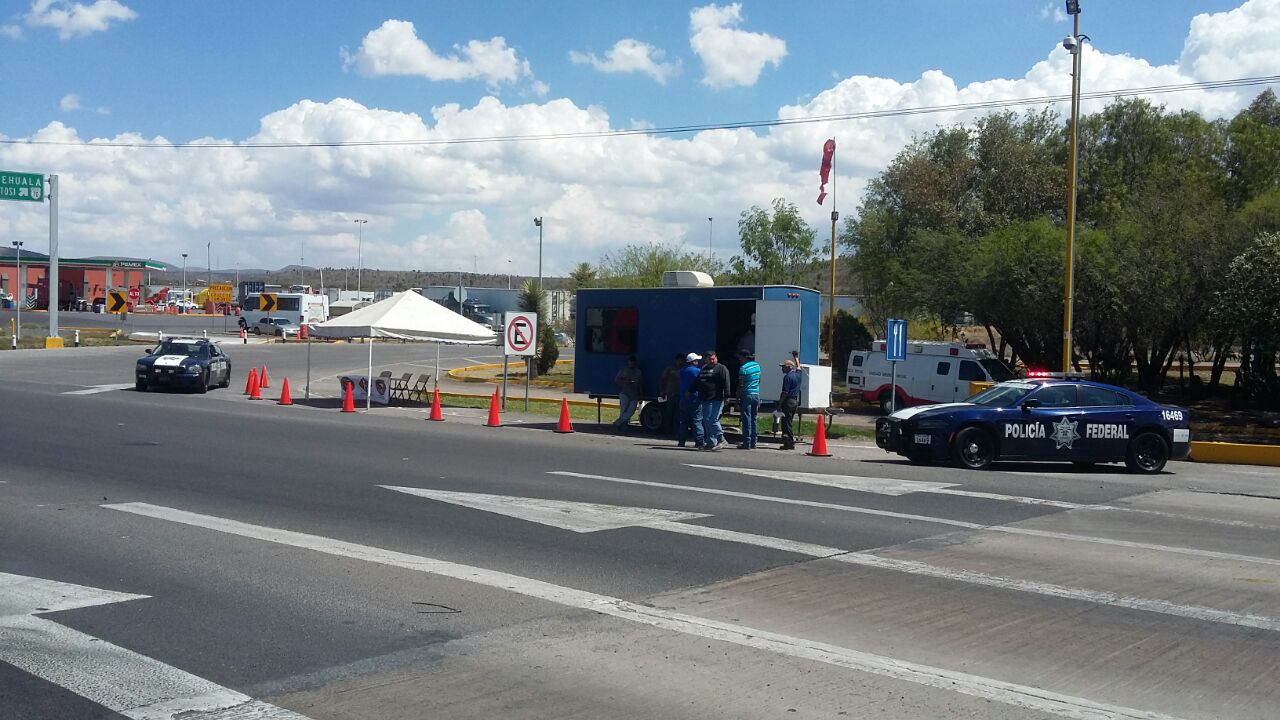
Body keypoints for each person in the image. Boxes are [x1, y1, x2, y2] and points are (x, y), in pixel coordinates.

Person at [697, 349, 731, 450]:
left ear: (716, 358)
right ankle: (711, 442)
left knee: (713, 420)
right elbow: (699, 381)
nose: (712, 361)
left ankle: (722, 439)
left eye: (713, 359)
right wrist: (691, 391)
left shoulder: (721, 368)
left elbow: (726, 382)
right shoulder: (704, 368)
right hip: (705, 398)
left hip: (716, 398)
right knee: (706, 421)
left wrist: (727, 396)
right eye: (710, 359)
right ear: (705, 360)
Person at [676, 353, 704, 448]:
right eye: (697, 360)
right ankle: (699, 441)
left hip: (683, 399)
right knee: (696, 420)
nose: (698, 362)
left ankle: (681, 441)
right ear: (693, 361)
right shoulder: (698, 371)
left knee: (683, 421)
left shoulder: (681, 371)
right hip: (695, 398)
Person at [736, 349, 761, 449]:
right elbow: (759, 380)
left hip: (747, 394)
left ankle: (747, 442)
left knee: (746, 419)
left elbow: (741, 385)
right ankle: (754, 441)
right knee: (754, 418)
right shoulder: (757, 366)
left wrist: (737, 398)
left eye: (740, 358)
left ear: (744, 357)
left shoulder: (743, 368)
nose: (740, 360)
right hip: (756, 394)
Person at [612, 355, 643, 431]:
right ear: (628, 362)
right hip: (624, 393)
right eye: (630, 363)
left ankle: (618, 422)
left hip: (634, 394)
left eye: (633, 363)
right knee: (623, 410)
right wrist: (626, 382)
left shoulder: (638, 372)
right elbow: (616, 380)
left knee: (631, 410)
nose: (631, 364)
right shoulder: (624, 370)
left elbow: (641, 384)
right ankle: (622, 427)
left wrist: (641, 395)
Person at [778, 359, 803, 450]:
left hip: (788, 401)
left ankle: (789, 442)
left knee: (786, 423)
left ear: (789, 367)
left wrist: (780, 403)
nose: (782, 368)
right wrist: (796, 358)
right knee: (789, 421)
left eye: (783, 367)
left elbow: (785, 392)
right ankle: (789, 441)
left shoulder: (787, 377)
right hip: (795, 401)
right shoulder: (798, 375)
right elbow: (799, 367)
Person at [659, 352, 684, 435]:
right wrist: (662, 391)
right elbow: (663, 379)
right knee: (669, 413)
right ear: (676, 360)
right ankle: (667, 431)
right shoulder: (670, 369)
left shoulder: (684, 369)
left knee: (678, 414)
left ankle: (675, 431)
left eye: (682, 360)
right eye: (679, 360)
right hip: (670, 393)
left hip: (680, 394)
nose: (680, 362)